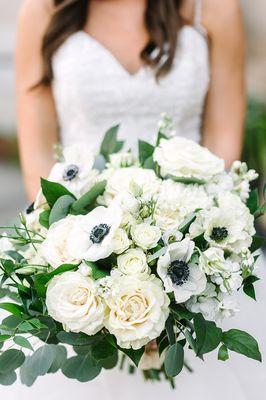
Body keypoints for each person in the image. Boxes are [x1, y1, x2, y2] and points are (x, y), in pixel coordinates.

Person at [13, 1, 258, 399]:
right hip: (79, 246)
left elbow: (224, 155)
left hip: (186, 245)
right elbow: (39, 160)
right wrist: (82, 267)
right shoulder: (42, 12)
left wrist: (177, 291)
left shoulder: (213, 10)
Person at [16, 0, 245, 202]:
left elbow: (222, 142)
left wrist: (193, 226)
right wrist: (66, 230)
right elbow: (38, 154)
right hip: (77, 227)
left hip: (190, 219)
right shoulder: (43, 10)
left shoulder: (214, 7)